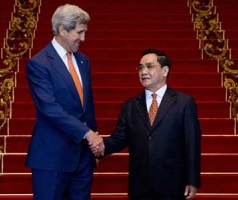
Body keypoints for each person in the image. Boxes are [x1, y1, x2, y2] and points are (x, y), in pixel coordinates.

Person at [93, 49, 201, 200]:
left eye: (150, 67)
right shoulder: (130, 106)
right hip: (140, 186)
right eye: (140, 67)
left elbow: (192, 144)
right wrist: (98, 145)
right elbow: (119, 139)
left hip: (173, 184)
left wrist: (192, 180)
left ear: (165, 71)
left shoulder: (183, 103)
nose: (143, 71)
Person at [25, 4, 103, 200]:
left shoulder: (83, 61)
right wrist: (88, 134)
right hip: (52, 158)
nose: (83, 39)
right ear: (61, 29)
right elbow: (49, 108)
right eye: (79, 32)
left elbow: (86, 106)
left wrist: (94, 142)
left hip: (83, 158)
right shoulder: (39, 63)